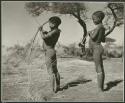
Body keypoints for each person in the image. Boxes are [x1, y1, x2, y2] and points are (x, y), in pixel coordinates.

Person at [39, 16, 61, 93]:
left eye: (50, 23)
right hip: (52, 51)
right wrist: (44, 31)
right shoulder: (56, 31)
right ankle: (58, 87)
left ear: (54, 24)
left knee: (50, 71)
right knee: (55, 70)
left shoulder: (55, 31)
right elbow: (48, 35)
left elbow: (44, 37)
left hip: (49, 52)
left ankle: (52, 90)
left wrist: (41, 31)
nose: (48, 24)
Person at [88, 11, 106, 92]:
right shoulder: (102, 27)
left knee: (98, 69)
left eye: (94, 19)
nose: (93, 21)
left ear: (99, 18)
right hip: (98, 48)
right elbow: (103, 39)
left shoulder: (99, 27)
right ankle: (100, 87)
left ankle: (100, 89)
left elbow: (93, 37)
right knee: (100, 68)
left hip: (97, 48)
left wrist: (90, 33)